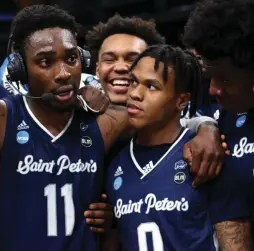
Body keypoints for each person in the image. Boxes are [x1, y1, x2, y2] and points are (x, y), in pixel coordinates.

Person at [0, 5, 125, 251]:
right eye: (45, 62)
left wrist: (204, 126)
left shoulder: (102, 123)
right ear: (20, 68)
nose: (63, 73)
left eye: (71, 59)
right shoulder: (0, 118)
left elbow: (170, 120)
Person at [105, 44, 252, 250]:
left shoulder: (207, 157)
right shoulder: (114, 164)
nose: (135, 94)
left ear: (182, 101)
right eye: (133, 82)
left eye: (151, 86)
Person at [85, 14, 225, 186]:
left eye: (132, 59)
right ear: (97, 69)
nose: (121, 67)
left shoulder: (185, 130)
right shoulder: (78, 109)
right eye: (109, 59)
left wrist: (207, 129)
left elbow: (186, 122)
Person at [183, 0, 254, 242]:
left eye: (223, 80)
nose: (213, 90)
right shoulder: (220, 115)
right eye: (210, 77)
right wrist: (205, 126)